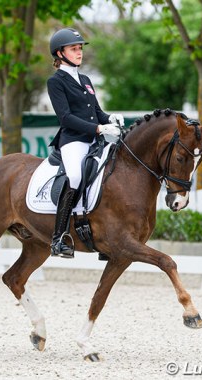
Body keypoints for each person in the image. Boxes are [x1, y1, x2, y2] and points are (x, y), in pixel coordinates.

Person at [47, 27, 124, 259]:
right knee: (76, 177)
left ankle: (105, 235)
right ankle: (59, 238)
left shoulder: (85, 79)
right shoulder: (56, 81)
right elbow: (66, 118)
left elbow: (96, 111)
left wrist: (109, 118)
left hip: (94, 140)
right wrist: (99, 128)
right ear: (60, 53)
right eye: (74, 48)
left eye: (80, 48)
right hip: (73, 141)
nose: (79, 52)